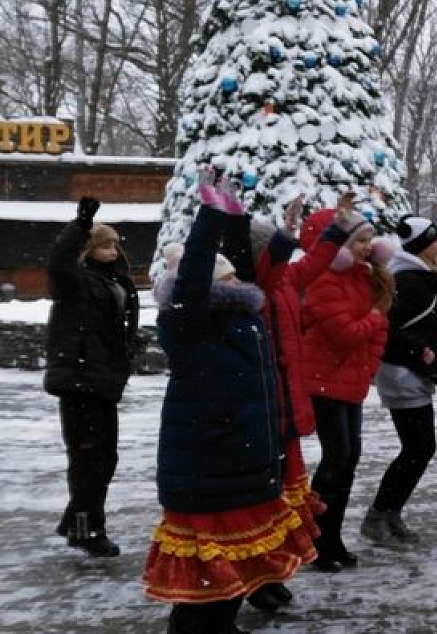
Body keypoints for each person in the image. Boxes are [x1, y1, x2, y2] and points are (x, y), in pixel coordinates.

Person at [143, 181, 314, 633]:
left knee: (234, 575)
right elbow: (195, 275)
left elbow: (248, 264)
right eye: (229, 277)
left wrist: (238, 216)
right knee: (206, 585)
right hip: (208, 471)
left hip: (243, 468)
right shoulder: (188, 325)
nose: (239, 279)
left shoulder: (244, 318)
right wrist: (210, 217)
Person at [239, 192, 358, 609]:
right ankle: (254, 579)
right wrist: (287, 235)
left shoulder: (286, 281)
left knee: (280, 498)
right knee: (259, 499)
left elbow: (314, 263)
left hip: (285, 405)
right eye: (272, 250)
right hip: (263, 408)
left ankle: (270, 571)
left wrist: (336, 229)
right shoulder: (255, 290)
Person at [44, 196, 140, 557]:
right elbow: (59, 262)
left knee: (105, 459)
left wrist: (129, 347)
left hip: (103, 381)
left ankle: (75, 522)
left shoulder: (116, 282)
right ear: (89, 249)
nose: (111, 250)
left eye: (114, 245)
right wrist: (81, 225)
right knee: (88, 461)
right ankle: (86, 530)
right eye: (103, 245)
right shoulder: (76, 282)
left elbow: (115, 328)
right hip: (79, 379)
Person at [299, 208, 394, 571]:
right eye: (360, 241)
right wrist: (374, 319)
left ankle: (331, 537)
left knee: (348, 458)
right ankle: (317, 538)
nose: (368, 247)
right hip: (323, 381)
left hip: (349, 381)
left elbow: (374, 335)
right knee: (336, 458)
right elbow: (346, 333)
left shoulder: (363, 277)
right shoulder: (325, 281)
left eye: (370, 240)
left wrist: (367, 368)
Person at [362, 215, 437, 543]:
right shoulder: (407, 281)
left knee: (418, 447)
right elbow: (388, 327)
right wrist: (420, 350)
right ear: (420, 245)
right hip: (404, 373)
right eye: (434, 240)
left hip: (410, 372)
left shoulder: (416, 278)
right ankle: (379, 514)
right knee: (419, 447)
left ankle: (390, 513)